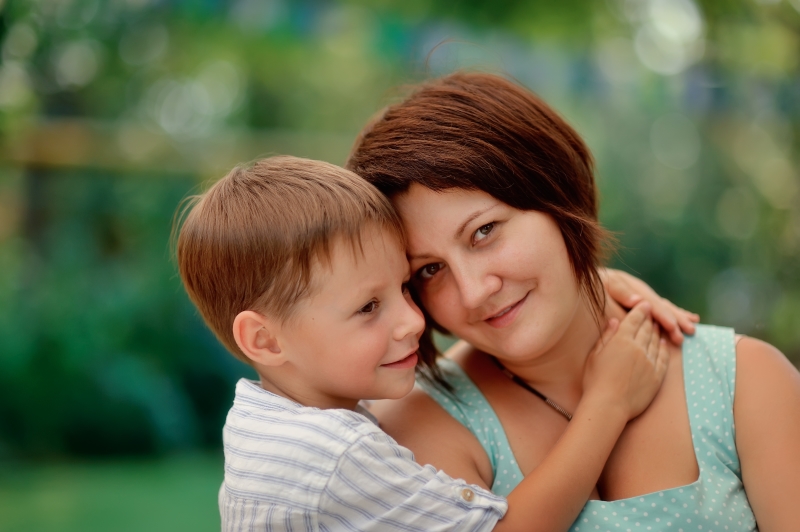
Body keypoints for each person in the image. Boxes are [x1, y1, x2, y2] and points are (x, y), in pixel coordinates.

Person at [347, 72, 800, 531]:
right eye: (429, 269)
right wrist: (604, 408)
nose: (473, 290)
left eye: (484, 232)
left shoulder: (743, 383)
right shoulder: (423, 426)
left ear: (558, 196)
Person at [175, 155, 673, 531]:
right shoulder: (337, 458)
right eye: (369, 307)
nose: (412, 321)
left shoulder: (274, 423)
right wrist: (607, 402)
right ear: (263, 339)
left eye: (406, 286)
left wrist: (585, 286)